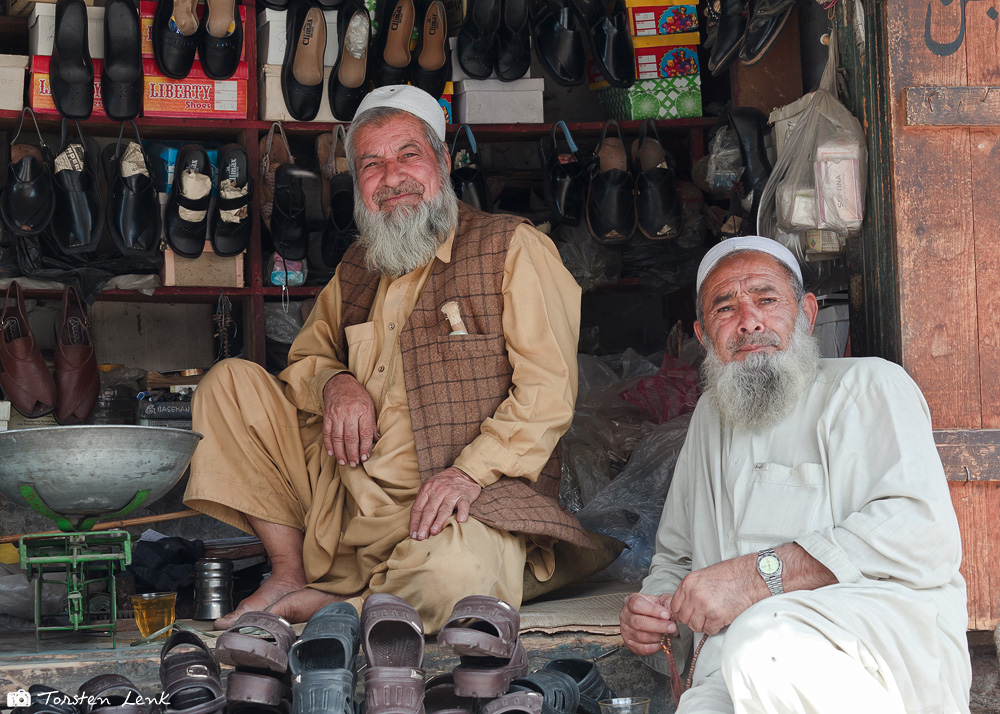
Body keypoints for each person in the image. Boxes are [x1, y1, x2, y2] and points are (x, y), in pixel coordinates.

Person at [184, 85, 591, 632]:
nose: (391, 177)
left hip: (457, 506)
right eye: (372, 163)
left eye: (408, 155)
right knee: (228, 383)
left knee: (457, 578)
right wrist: (335, 383)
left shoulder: (511, 247)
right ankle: (289, 571)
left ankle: (341, 611)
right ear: (358, 182)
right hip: (342, 502)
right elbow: (307, 356)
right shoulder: (359, 264)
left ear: (442, 162)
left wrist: (466, 475)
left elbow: (548, 392)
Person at [619, 236, 972, 714]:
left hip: (872, 654)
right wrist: (658, 610)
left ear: (806, 313)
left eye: (766, 300)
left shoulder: (869, 386)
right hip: (730, 668)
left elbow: (920, 532)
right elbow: (677, 558)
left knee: (763, 646)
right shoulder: (709, 417)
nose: (749, 321)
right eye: (726, 309)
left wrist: (755, 577)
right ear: (703, 337)